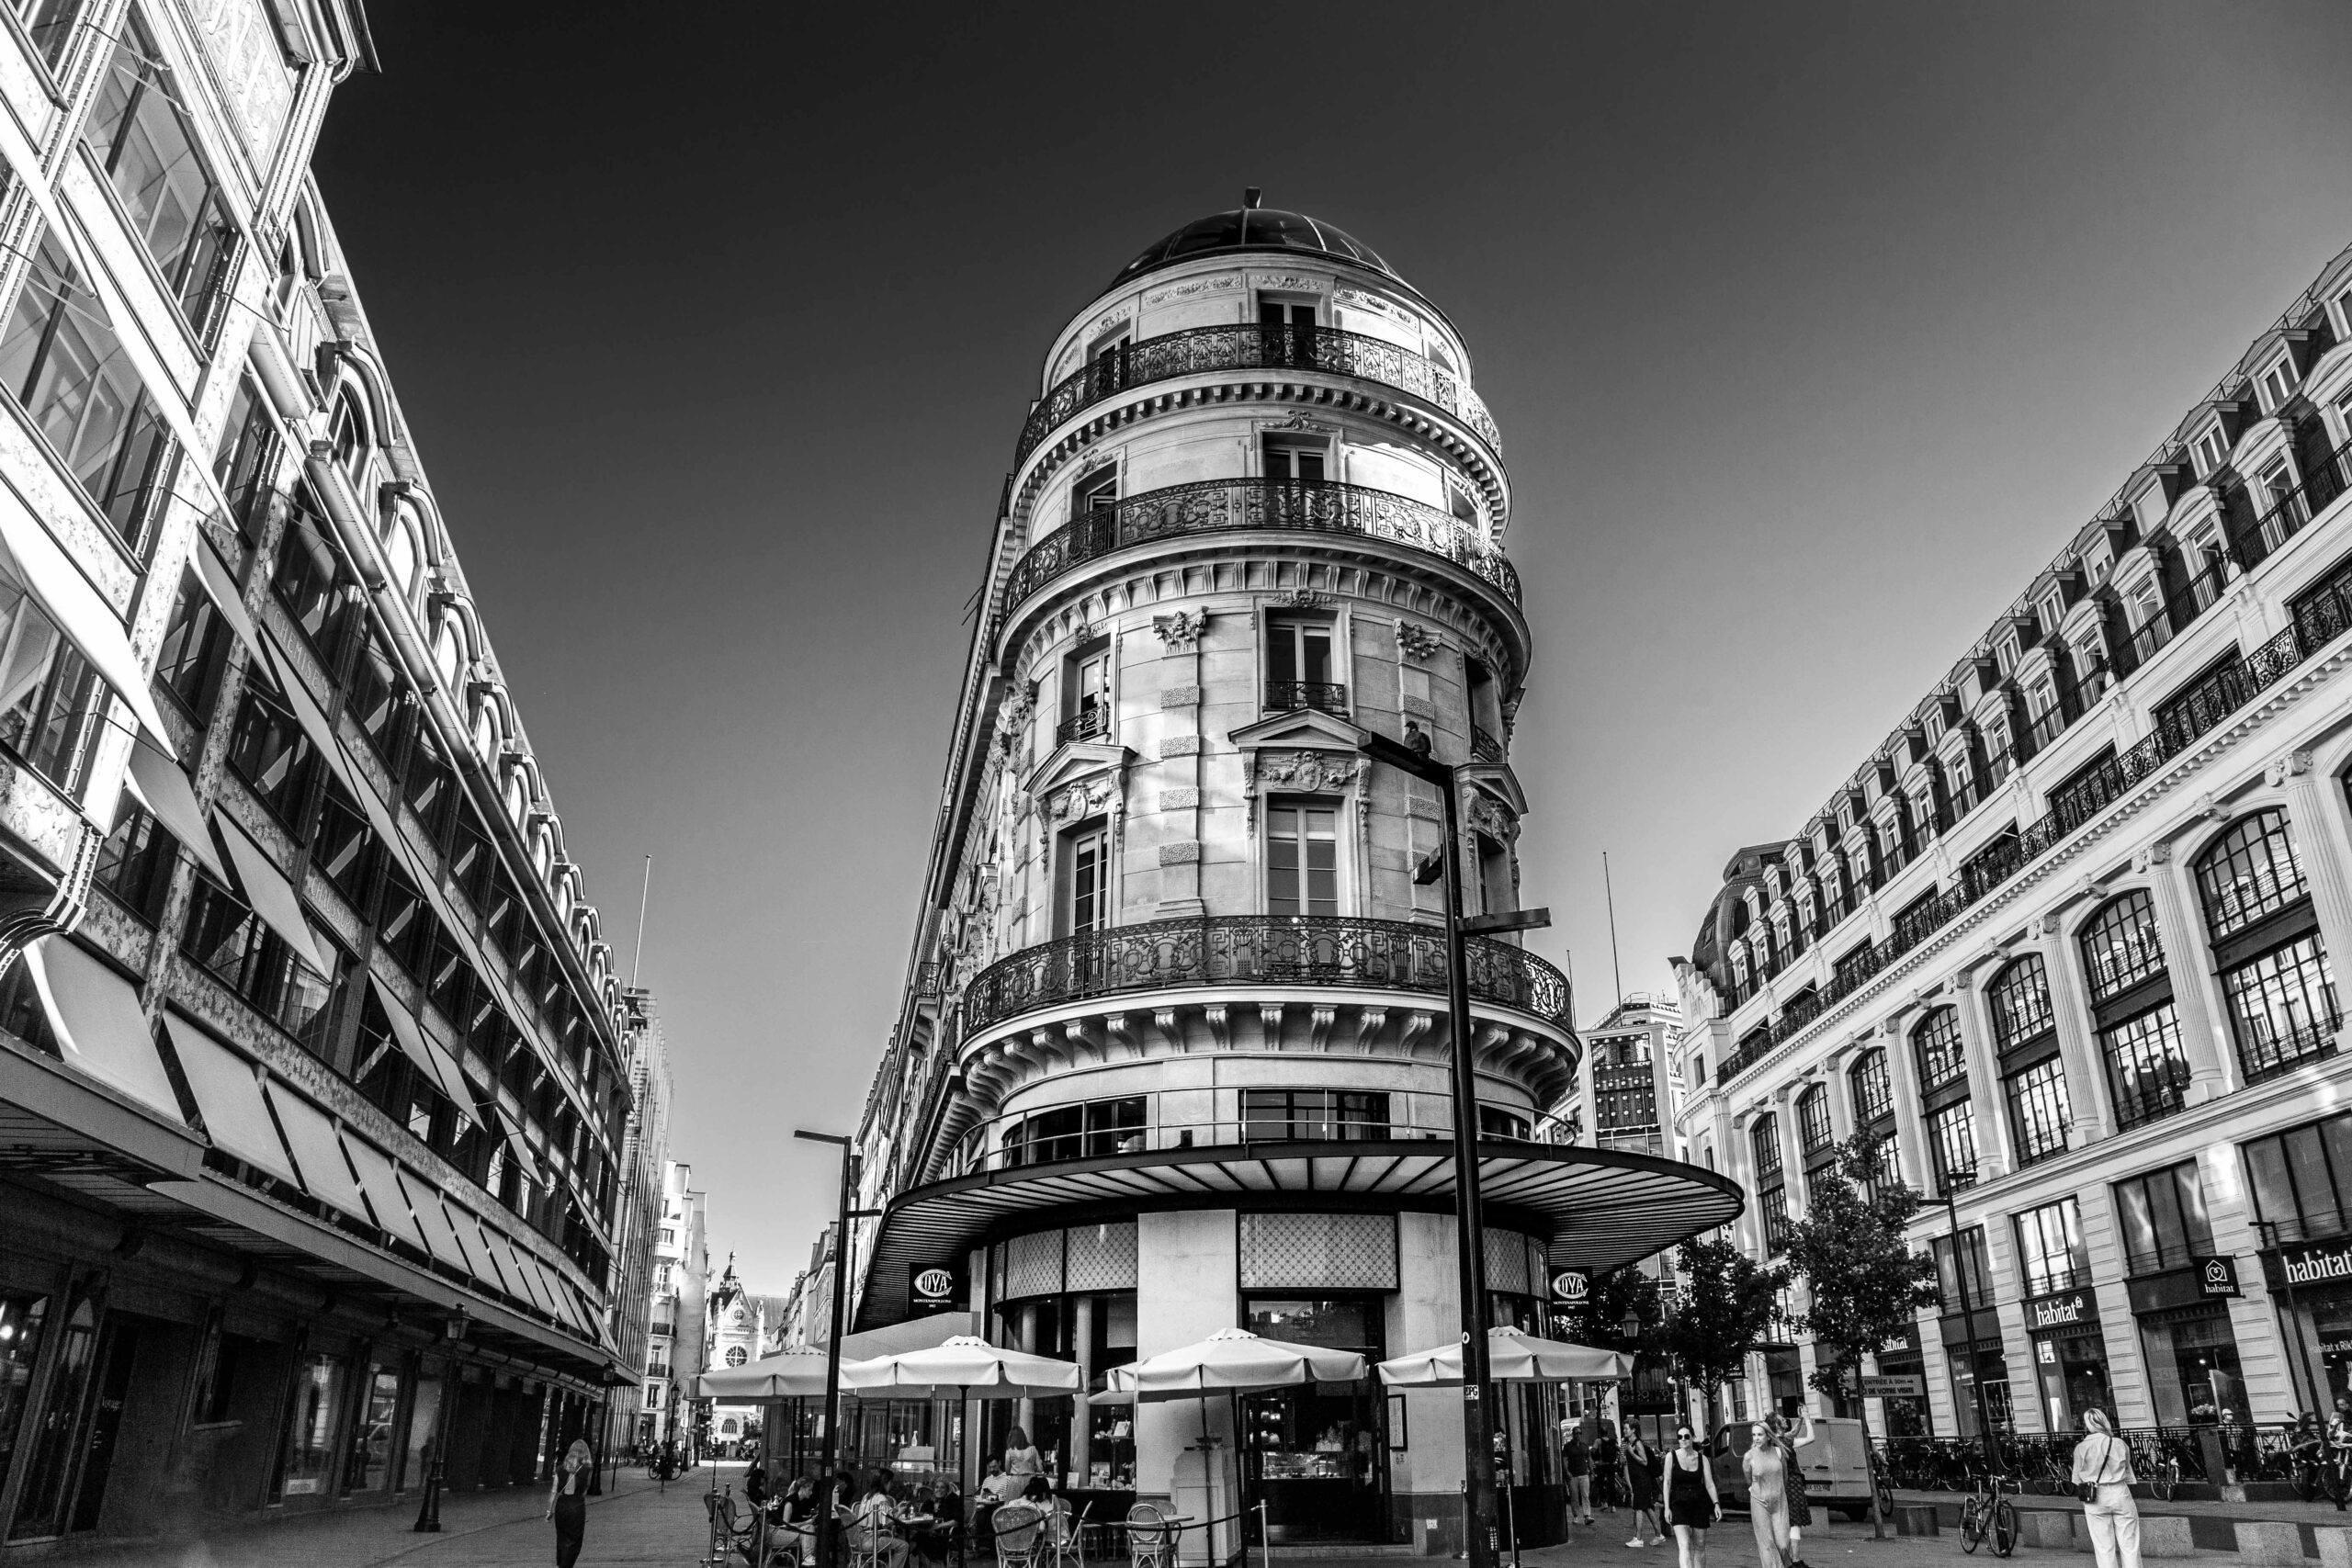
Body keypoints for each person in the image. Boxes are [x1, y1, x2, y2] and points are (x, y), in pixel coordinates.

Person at [2073, 1407, 2141, 1568]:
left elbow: (2076, 1478)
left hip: (2095, 1496)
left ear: (2087, 1424)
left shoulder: (2081, 1447)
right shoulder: (2119, 1443)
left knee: (2103, 1547)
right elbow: (2128, 1471)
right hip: (2120, 1491)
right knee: (2130, 1544)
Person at [1665, 1424, 1719, 1568]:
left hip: (1699, 1503)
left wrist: (1716, 1503)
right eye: (1680, 1437)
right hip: (1678, 1503)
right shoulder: (1671, 1457)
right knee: (1684, 1545)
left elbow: (1709, 1484)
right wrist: (1667, 1507)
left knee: (1700, 1545)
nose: (1683, 1439)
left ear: (1693, 1437)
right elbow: (1667, 1482)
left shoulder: (1702, 1459)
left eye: (1686, 1436)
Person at [1744, 1421, 1791, 1568]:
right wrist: (1755, 1490)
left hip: (1779, 1501)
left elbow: (1785, 1477)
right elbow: (1748, 1479)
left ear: (1768, 1436)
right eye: (1754, 1435)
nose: (1756, 1438)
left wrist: (1779, 1491)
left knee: (1783, 1543)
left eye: (1760, 1434)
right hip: (1759, 1502)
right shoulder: (1749, 1456)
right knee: (1767, 1543)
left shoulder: (1778, 1452)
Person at [1773, 1411, 1817, 1568]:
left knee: (1784, 1522)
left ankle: (1784, 1561)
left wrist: (1800, 1420)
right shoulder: (1786, 1441)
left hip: (1779, 1484)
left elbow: (1792, 1433)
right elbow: (1810, 1438)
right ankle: (1796, 1560)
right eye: (1781, 1419)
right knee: (1795, 1522)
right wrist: (1807, 1420)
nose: (1785, 1419)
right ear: (1777, 1425)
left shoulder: (1774, 1441)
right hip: (1792, 1482)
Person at [544, 1438, 593, 1568]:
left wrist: (549, 1510)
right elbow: (585, 1491)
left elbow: (553, 1492)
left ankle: (561, 1564)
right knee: (574, 1541)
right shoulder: (587, 1470)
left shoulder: (560, 1469)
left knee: (561, 1538)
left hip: (561, 1505)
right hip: (577, 1506)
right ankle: (566, 1565)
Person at [854, 1472, 913, 1568]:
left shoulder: (867, 1496)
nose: (891, 1485)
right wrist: (899, 1513)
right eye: (891, 1482)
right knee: (904, 1546)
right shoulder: (882, 1499)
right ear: (886, 1483)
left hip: (859, 1539)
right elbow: (885, 1523)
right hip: (872, 1541)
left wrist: (896, 1508)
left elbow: (880, 1514)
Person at [1623, 1420, 1665, 1548]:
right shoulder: (1630, 1444)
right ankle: (1659, 1535)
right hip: (1639, 1480)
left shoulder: (1637, 1444)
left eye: (1626, 1429)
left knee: (1638, 1508)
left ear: (1633, 1430)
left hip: (1642, 1480)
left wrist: (1631, 1453)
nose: (1624, 1431)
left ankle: (1638, 1538)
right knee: (1647, 1507)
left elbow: (1645, 1461)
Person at [776, 1479, 820, 1566]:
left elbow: (796, 1518)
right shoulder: (790, 1502)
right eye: (809, 1490)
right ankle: (807, 1557)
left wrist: (807, 1520)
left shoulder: (801, 1501)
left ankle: (807, 1557)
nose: (811, 1493)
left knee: (810, 1528)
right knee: (808, 1528)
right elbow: (785, 1524)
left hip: (786, 1531)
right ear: (802, 1489)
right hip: (777, 1533)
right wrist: (807, 1522)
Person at [1563, 1420, 1594, 1526]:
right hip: (1573, 1475)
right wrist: (1567, 1472)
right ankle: (1575, 1515)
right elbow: (1565, 1460)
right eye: (1576, 1433)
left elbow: (1589, 1459)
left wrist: (1592, 1472)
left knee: (1585, 1495)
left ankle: (1587, 1516)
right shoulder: (1567, 1446)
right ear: (1573, 1434)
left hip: (1584, 1474)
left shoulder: (1584, 1446)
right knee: (1574, 1496)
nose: (1578, 1435)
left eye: (1580, 1433)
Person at [1595, 1421, 1623, 1514]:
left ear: (1600, 1433)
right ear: (1607, 1433)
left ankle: (1604, 1502)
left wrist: (1596, 1458)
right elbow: (1620, 1449)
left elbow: (1593, 1451)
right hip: (1611, 1465)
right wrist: (1619, 1458)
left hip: (1602, 1465)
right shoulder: (1612, 1441)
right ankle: (1613, 1505)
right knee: (1611, 1485)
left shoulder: (1598, 1441)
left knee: (1601, 1483)